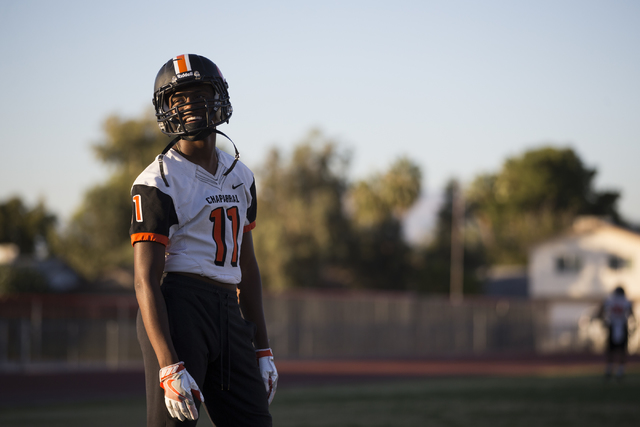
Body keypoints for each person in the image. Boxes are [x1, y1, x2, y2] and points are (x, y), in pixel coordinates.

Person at [130, 54, 277, 426]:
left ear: (219, 98)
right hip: (180, 311)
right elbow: (145, 280)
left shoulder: (241, 175)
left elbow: (247, 266)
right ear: (166, 109)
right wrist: (167, 363)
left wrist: (262, 347)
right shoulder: (157, 181)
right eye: (178, 98)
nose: (189, 104)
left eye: (198, 93)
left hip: (229, 311)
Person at [596, 285, 634, 380]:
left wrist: (603, 320)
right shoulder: (626, 301)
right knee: (621, 350)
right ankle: (620, 371)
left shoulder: (610, 300)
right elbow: (631, 314)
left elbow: (600, 312)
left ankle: (609, 370)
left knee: (611, 350)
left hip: (612, 326)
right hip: (621, 325)